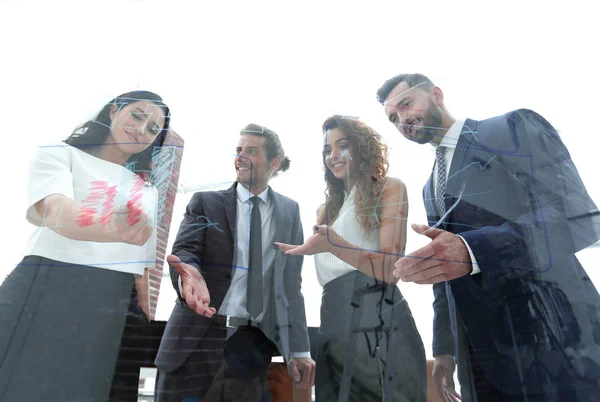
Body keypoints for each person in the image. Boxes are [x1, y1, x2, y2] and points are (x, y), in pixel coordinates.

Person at [376, 73, 600, 401]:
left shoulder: (510, 128)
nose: (403, 119)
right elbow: (445, 266)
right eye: (393, 118)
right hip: (481, 360)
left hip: (557, 340)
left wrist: (473, 249)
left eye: (406, 105)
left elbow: (575, 215)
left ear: (436, 94)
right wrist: (445, 351)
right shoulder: (429, 189)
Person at [0, 90, 170, 401]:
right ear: (113, 112)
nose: (142, 129)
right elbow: (55, 211)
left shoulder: (148, 191)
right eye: (137, 115)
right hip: (48, 285)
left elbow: (140, 267)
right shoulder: (60, 154)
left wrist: (143, 323)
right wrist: (110, 226)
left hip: (115, 304)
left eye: (153, 128)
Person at [154, 123, 316, 402]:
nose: (239, 157)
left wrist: (299, 350)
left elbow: (291, 287)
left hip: (251, 345)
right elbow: (185, 250)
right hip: (196, 337)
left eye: (251, 151)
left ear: (274, 162)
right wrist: (189, 274)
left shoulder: (290, 211)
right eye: (238, 150)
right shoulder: (206, 202)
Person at [276, 115, 427, 402]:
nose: (333, 156)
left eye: (342, 145)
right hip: (332, 322)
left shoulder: (389, 188)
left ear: (361, 148)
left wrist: (334, 245)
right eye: (327, 150)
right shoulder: (326, 210)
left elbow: (389, 269)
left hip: (376, 317)